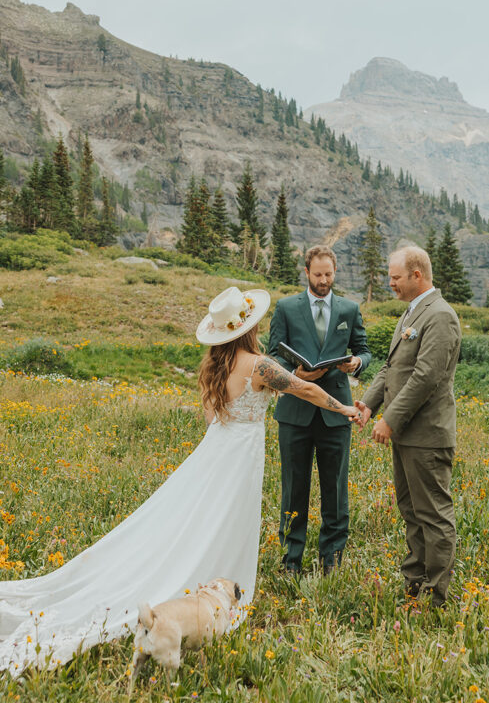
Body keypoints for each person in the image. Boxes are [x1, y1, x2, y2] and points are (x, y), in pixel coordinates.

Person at [0, 286, 359, 675]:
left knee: (199, 514)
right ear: (249, 329)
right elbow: (304, 389)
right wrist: (344, 408)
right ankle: (216, 584)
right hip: (240, 455)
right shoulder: (259, 365)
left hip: (218, 446)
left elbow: (212, 419)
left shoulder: (214, 366)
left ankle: (205, 580)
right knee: (227, 516)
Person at [355, 246, 460, 609]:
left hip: (427, 435)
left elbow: (425, 377)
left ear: (417, 275)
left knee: (433, 514)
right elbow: (390, 368)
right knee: (411, 512)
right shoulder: (410, 315)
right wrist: (368, 406)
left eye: (395, 277)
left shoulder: (441, 316)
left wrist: (390, 419)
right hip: (406, 436)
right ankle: (414, 583)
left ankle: (436, 595)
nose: (390, 283)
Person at [268, 245, 371, 574]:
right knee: (293, 488)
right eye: (318, 275)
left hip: (336, 413)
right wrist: (296, 374)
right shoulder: (285, 307)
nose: (324, 280)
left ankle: (332, 561)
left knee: (336, 490)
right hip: (295, 412)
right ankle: (291, 561)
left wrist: (356, 363)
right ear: (307, 272)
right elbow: (273, 356)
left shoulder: (349, 309)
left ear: (334, 272)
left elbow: (365, 351)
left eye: (329, 274)